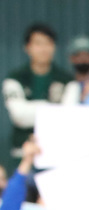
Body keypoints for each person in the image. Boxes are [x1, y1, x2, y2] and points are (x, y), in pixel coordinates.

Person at [4, 23, 72, 161]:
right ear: (27, 47)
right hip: (21, 152)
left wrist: (33, 108)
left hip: (57, 152)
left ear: (54, 47)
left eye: (48, 43)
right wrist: (52, 107)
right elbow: (19, 116)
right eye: (38, 44)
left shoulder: (67, 80)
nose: (43, 49)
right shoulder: (14, 78)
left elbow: (67, 116)